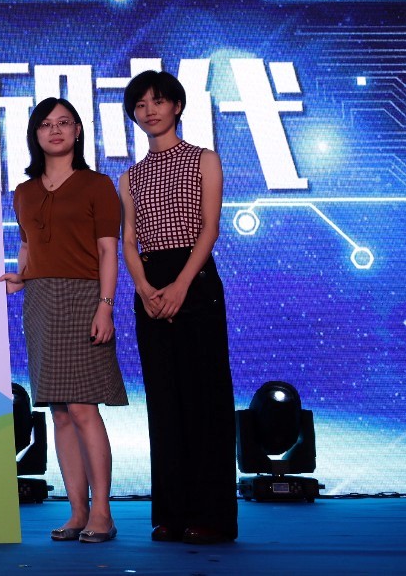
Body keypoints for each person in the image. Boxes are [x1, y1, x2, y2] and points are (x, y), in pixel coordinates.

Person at [0, 97, 127, 544]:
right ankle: (77, 512)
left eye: (64, 122)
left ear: (78, 132)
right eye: (46, 124)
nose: (55, 130)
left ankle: (103, 513)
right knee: (58, 412)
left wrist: (106, 305)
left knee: (84, 408)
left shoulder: (97, 184)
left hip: (85, 296)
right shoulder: (23, 191)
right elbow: (28, 246)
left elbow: (108, 250)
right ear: (34, 134)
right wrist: (22, 276)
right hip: (40, 301)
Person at [119, 70, 237, 545]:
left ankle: (212, 516)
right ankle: (171, 512)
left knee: (205, 399)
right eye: (140, 104)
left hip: (196, 280)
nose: (149, 111)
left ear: (177, 106)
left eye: (158, 101)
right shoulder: (129, 177)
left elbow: (210, 228)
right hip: (150, 286)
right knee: (164, 402)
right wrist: (145, 289)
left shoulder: (204, 159)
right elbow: (129, 241)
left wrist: (181, 285)